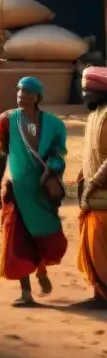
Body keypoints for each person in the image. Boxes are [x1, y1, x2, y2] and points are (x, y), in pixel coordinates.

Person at [0, 77, 68, 307]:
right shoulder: (6, 120)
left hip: (42, 192)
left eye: (27, 92)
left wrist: (52, 168)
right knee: (16, 238)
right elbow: (1, 155)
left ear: (38, 97)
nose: (21, 95)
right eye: (19, 91)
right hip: (16, 190)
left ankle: (41, 271)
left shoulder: (55, 125)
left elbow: (58, 156)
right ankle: (26, 293)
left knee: (43, 236)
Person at [77, 66, 107, 309]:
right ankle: (98, 296)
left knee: (101, 247)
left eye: (89, 91)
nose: (84, 95)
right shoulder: (94, 114)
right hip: (93, 194)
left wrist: (93, 183)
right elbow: (91, 153)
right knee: (91, 246)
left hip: (103, 196)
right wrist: (81, 177)